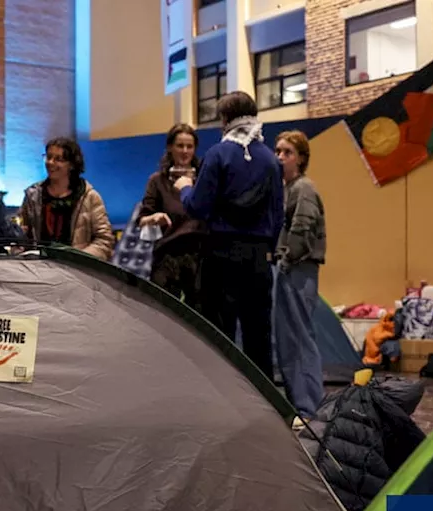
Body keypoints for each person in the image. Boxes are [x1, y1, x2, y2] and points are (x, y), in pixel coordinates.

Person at [176, 91, 284, 379]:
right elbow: (278, 215)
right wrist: (266, 249)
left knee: (220, 334)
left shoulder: (218, 154)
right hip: (259, 258)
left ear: (225, 119)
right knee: (258, 335)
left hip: (221, 255)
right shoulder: (271, 160)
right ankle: (264, 409)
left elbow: (198, 207)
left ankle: (224, 403)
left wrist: (185, 187)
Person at [273, 130, 326, 420]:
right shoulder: (288, 188)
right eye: (278, 151)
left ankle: (310, 408)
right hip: (291, 268)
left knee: (299, 338)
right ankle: (301, 404)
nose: (280, 157)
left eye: (288, 152)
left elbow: (303, 228)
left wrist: (286, 257)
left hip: (298, 270)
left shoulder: (303, 188)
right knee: (289, 339)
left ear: (301, 158)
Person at [137, 123, 206, 309]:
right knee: (162, 313)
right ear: (170, 147)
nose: (185, 151)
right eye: (180, 146)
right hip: (166, 256)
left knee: (200, 316)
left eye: (189, 146)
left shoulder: (204, 179)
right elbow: (142, 219)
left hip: (199, 257)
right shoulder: (157, 181)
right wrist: (154, 218)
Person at [21, 137, 115, 261]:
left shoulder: (89, 197)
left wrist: (77, 258)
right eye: (48, 157)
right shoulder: (32, 195)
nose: (50, 162)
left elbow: (104, 241)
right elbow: (22, 235)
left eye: (58, 159)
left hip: (76, 272)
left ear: (71, 165)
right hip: (39, 270)